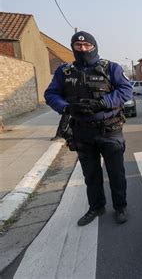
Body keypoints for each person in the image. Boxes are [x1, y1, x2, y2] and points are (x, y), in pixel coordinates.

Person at [44, 31, 133, 226]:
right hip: (82, 132)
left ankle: (120, 207)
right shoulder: (64, 71)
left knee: (116, 173)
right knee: (91, 175)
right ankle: (96, 207)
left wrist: (102, 103)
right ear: (73, 48)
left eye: (87, 46)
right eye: (78, 46)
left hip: (109, 130)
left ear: (94, 46)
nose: (83, 49)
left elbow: (126, 90)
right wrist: (66, 107)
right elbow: (50, 94)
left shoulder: (111, 68)